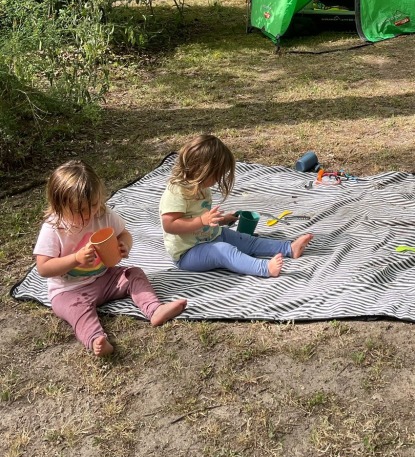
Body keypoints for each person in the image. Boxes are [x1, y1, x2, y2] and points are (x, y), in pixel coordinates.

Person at [34, 161, 187, 357]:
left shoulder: (102, 215)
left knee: (134, 273)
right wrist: (75, 259)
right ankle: (96, 338)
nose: (89, 213)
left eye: (94, 204)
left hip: (105, 278)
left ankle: (154, 309)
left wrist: (124, 245)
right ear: (59, 206)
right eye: (79, 210)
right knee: (78, 312)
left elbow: (124, 233)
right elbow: (43, 268)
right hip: (69, 291)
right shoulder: (54, 228)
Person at [160, 134, 313, 277]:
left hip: (211, 236)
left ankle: (288, 249)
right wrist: (201, 221)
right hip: (188, 253)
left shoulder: (201, 187)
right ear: (202, 170)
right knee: (223, 251)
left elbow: (203, 218)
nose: (218, 180)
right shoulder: (176, 192)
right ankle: (265, 268)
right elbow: (169, 225)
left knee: (246, 240)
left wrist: (222, 220)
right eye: (217, 175)